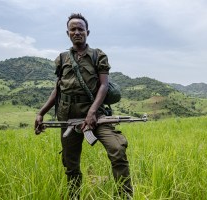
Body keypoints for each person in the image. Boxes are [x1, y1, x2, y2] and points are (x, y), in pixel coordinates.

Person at [34, 13, 132, 199]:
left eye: (81, 29)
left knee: (117, 150)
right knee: (70, 164)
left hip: (96, 114)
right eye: (73, 29)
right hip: (68, 116)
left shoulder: (98, 56)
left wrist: (92, 112)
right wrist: (41, 113)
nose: (77, 32)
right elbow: (58, 89)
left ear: (87, 32)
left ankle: (125, 196)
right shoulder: (62, 59)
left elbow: (103, 85)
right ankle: (74, 196)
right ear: (68, 33)